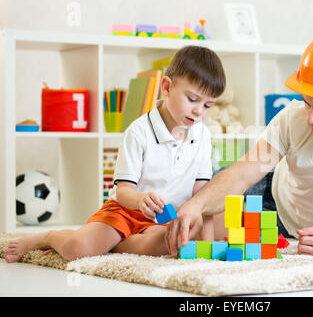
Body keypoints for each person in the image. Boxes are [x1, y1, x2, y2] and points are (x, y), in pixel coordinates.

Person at [165, 30, 313, 257]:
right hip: (270, 188)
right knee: (183, 213)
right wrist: (197, 204)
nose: (311, 118)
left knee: (193, 230)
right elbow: (241, 176)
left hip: (290, 227)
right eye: (308, 103)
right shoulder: (293, 118)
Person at [4, 45, 226, 262]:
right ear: (166, 87)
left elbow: (202, 196)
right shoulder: (139, 132)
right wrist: (140, 200)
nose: (199, 111)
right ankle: (48, 237)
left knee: (174, 243)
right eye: (192, 99)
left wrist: (205, 249)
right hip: (126, 210)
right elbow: (123, 192)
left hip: (165, 219)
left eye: (208, 105)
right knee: (77, 249)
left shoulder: (202, 135)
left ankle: (116, 245)